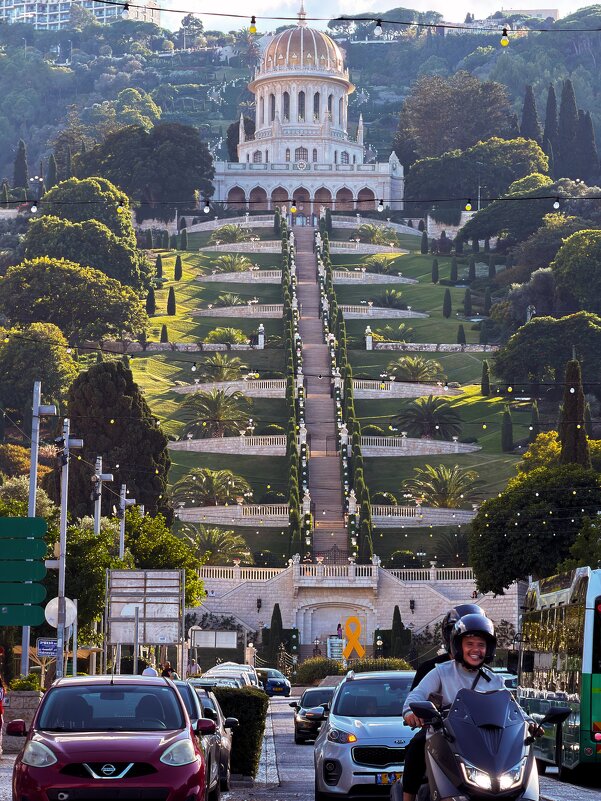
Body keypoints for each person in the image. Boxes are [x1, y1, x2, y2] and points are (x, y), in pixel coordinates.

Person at [401, 605, 487, 801]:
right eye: (468, 641)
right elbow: (415, 698)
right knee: (416, 746)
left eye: (479, 642)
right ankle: (408, 797)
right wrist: (413, 714)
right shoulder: (435, 669)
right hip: (441, 733)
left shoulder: (490, 676)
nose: (474, 649)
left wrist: (528, 723)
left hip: (480, 735)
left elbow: (508, 703)